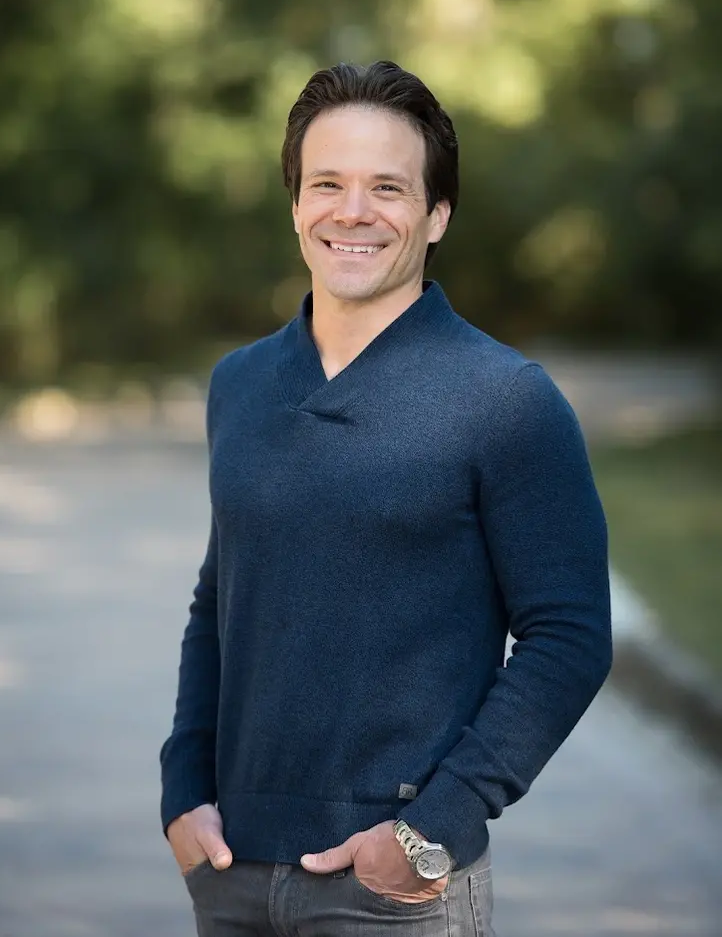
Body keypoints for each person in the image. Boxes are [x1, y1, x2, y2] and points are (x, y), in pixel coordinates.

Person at [159, 60, 613, 936]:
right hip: (231, 876)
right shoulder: (239, 384)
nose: (353, 211)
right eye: (327, 183)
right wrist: (184, 790)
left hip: (394, 894)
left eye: (388, 187)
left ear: (437, 214)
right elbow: (221, 599)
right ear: (296, 204)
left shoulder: (507, 400)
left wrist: (433, 829)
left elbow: (570, 635)